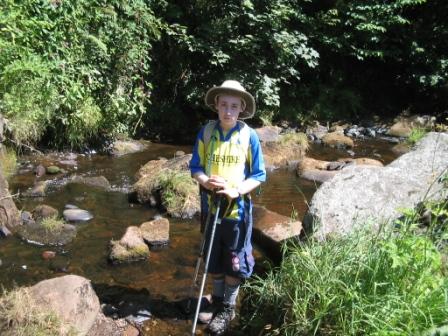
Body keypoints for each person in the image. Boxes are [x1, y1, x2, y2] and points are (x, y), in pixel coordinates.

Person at [189, 80, 266, 334]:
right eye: (224, 105)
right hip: (212, 209)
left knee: (234, 261)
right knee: (213, 257)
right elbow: (196, 168)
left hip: (237, 213)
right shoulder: (207, 132)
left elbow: (258, 175)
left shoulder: (249, 136)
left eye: (234, 106)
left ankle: (227, 308)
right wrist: (206, 182)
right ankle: (217, 299)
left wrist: (236, 190)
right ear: (216, 105)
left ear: (242, 108)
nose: (228, 111)